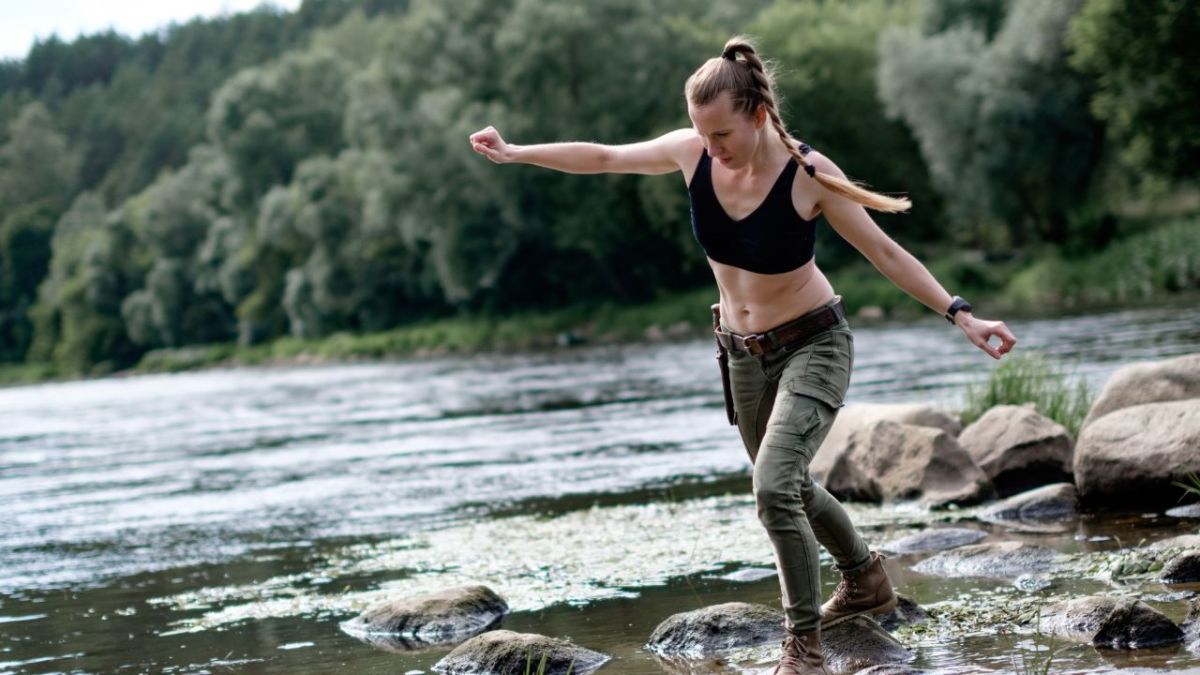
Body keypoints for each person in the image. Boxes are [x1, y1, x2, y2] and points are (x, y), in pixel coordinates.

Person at [470, 35, 1016, 675]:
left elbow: (884, 251)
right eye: (702, 133)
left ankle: (804, 645)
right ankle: (867, 580)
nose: (711, 147)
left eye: (722, 133)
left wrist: (961, 314)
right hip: (742, 356)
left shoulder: (809, 174)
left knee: (772, 488)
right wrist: (515, 152)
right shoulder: (691, 154)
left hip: (814, 343)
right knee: (788, 487)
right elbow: (605, 155)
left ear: (758, 115)